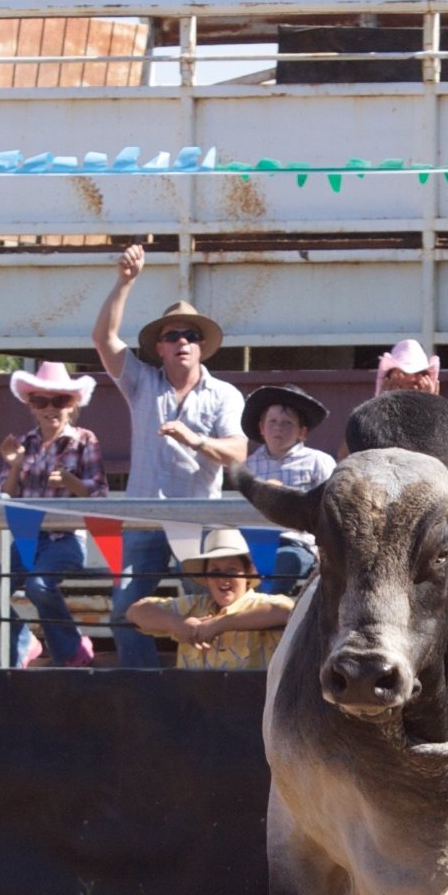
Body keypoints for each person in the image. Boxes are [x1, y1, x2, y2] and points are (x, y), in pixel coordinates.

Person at [91, 244, 247, 667]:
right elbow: (103, 339)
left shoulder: (224, 394)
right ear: (158, 347)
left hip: (197, 522)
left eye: (191, 336)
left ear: (202, 347)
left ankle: (206, 686)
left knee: (211, 611)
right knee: (126, 611)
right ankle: (148, 689)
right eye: (173, 335)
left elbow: (239, 450)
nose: (182, 342)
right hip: (143, 518)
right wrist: (125, 282)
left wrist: (195, 440)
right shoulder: (141, 382)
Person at [0, 361, 107, 667]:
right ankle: (25, 643)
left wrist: (72, 482)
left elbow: (100, 494)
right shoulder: (22, 443)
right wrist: (16, 466)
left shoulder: (85, 439)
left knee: (38, 585)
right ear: (31, 406)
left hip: (66, 539)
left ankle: (70, 650)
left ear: (72, 404)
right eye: (40, 401)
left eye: (60, 400)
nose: (51, 408)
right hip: (26, 539)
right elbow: (3, 498)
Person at [123, 526, 295, 670]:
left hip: (246, 707)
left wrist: (221, 624)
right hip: (192, 707)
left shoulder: (263, 603)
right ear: (206, 578)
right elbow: (135, 611)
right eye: (215, 571)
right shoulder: (193, 604)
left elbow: (287, 612)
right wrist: (176, 623)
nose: (223, 578)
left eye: (232, 570)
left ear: (247, 574)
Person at [239, 384, 336, 595]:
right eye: (272, 421)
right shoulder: (249, 466)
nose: (278, 428)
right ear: (261, 428)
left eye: (287, 423)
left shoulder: (318, 462)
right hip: (251, 544)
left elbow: (330, 510)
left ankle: (268, 612)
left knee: (285, 562)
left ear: (302, 432)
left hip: (297, 542)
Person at [375, 338, 441, 395]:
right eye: (403, 373)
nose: (411, 378)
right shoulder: (373, 408)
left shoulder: (438, 408)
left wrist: (431, 403)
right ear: (388, 379)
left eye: (418, 373)